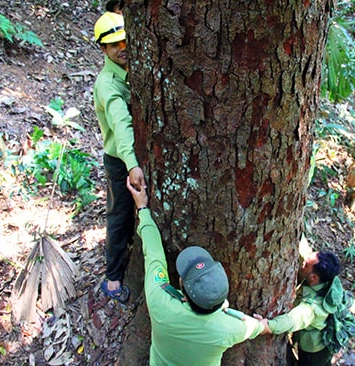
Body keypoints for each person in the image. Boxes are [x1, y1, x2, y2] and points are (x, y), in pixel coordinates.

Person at [125, 178, 269, 365]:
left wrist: (143, 208)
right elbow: (257, 327)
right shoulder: (230, 328)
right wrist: (265, 326)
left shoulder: (159, 301)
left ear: (183, 291)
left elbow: (153, 254)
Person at [93, 12, 145, 303]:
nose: (122, 47)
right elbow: (121, 124)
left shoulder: (133, 66)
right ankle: (112, 278)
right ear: (103, 49)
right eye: (114, 44)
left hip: (132, 158)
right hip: (119, 161)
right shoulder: (108, 85)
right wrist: (132, 164)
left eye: (125, 40)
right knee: (119, 217)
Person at [262, 251, 345, 366]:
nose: (302, 264)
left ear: (314, 277)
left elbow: (292, 321)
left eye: (306, 265)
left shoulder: (314, 307)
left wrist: (266, 326)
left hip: (314, 351)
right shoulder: (324, 279)